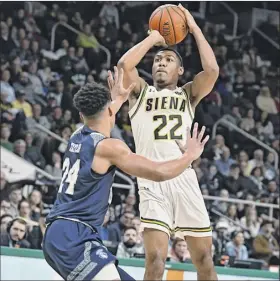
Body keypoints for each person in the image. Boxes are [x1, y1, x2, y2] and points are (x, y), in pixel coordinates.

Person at [42, 67, 209, 281]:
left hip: (60, 233)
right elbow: (158, 172)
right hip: (74, 235)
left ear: (82, 114)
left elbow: (103, 116)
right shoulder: (109, 148)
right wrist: (189, 156)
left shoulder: (76, 136)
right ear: (109, 111)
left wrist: (117, 99)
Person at [117, 4, 219, 281]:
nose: (161, 62)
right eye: (157, 60)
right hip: (152, 181)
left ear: (181, 70)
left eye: (168, 59)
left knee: (205, 261)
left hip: (184, 178)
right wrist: (154, 38)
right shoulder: (140, 92)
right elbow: (125, 65)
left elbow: (211, 70)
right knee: (155, 261)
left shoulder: (188, 95)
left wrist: (194, 28)